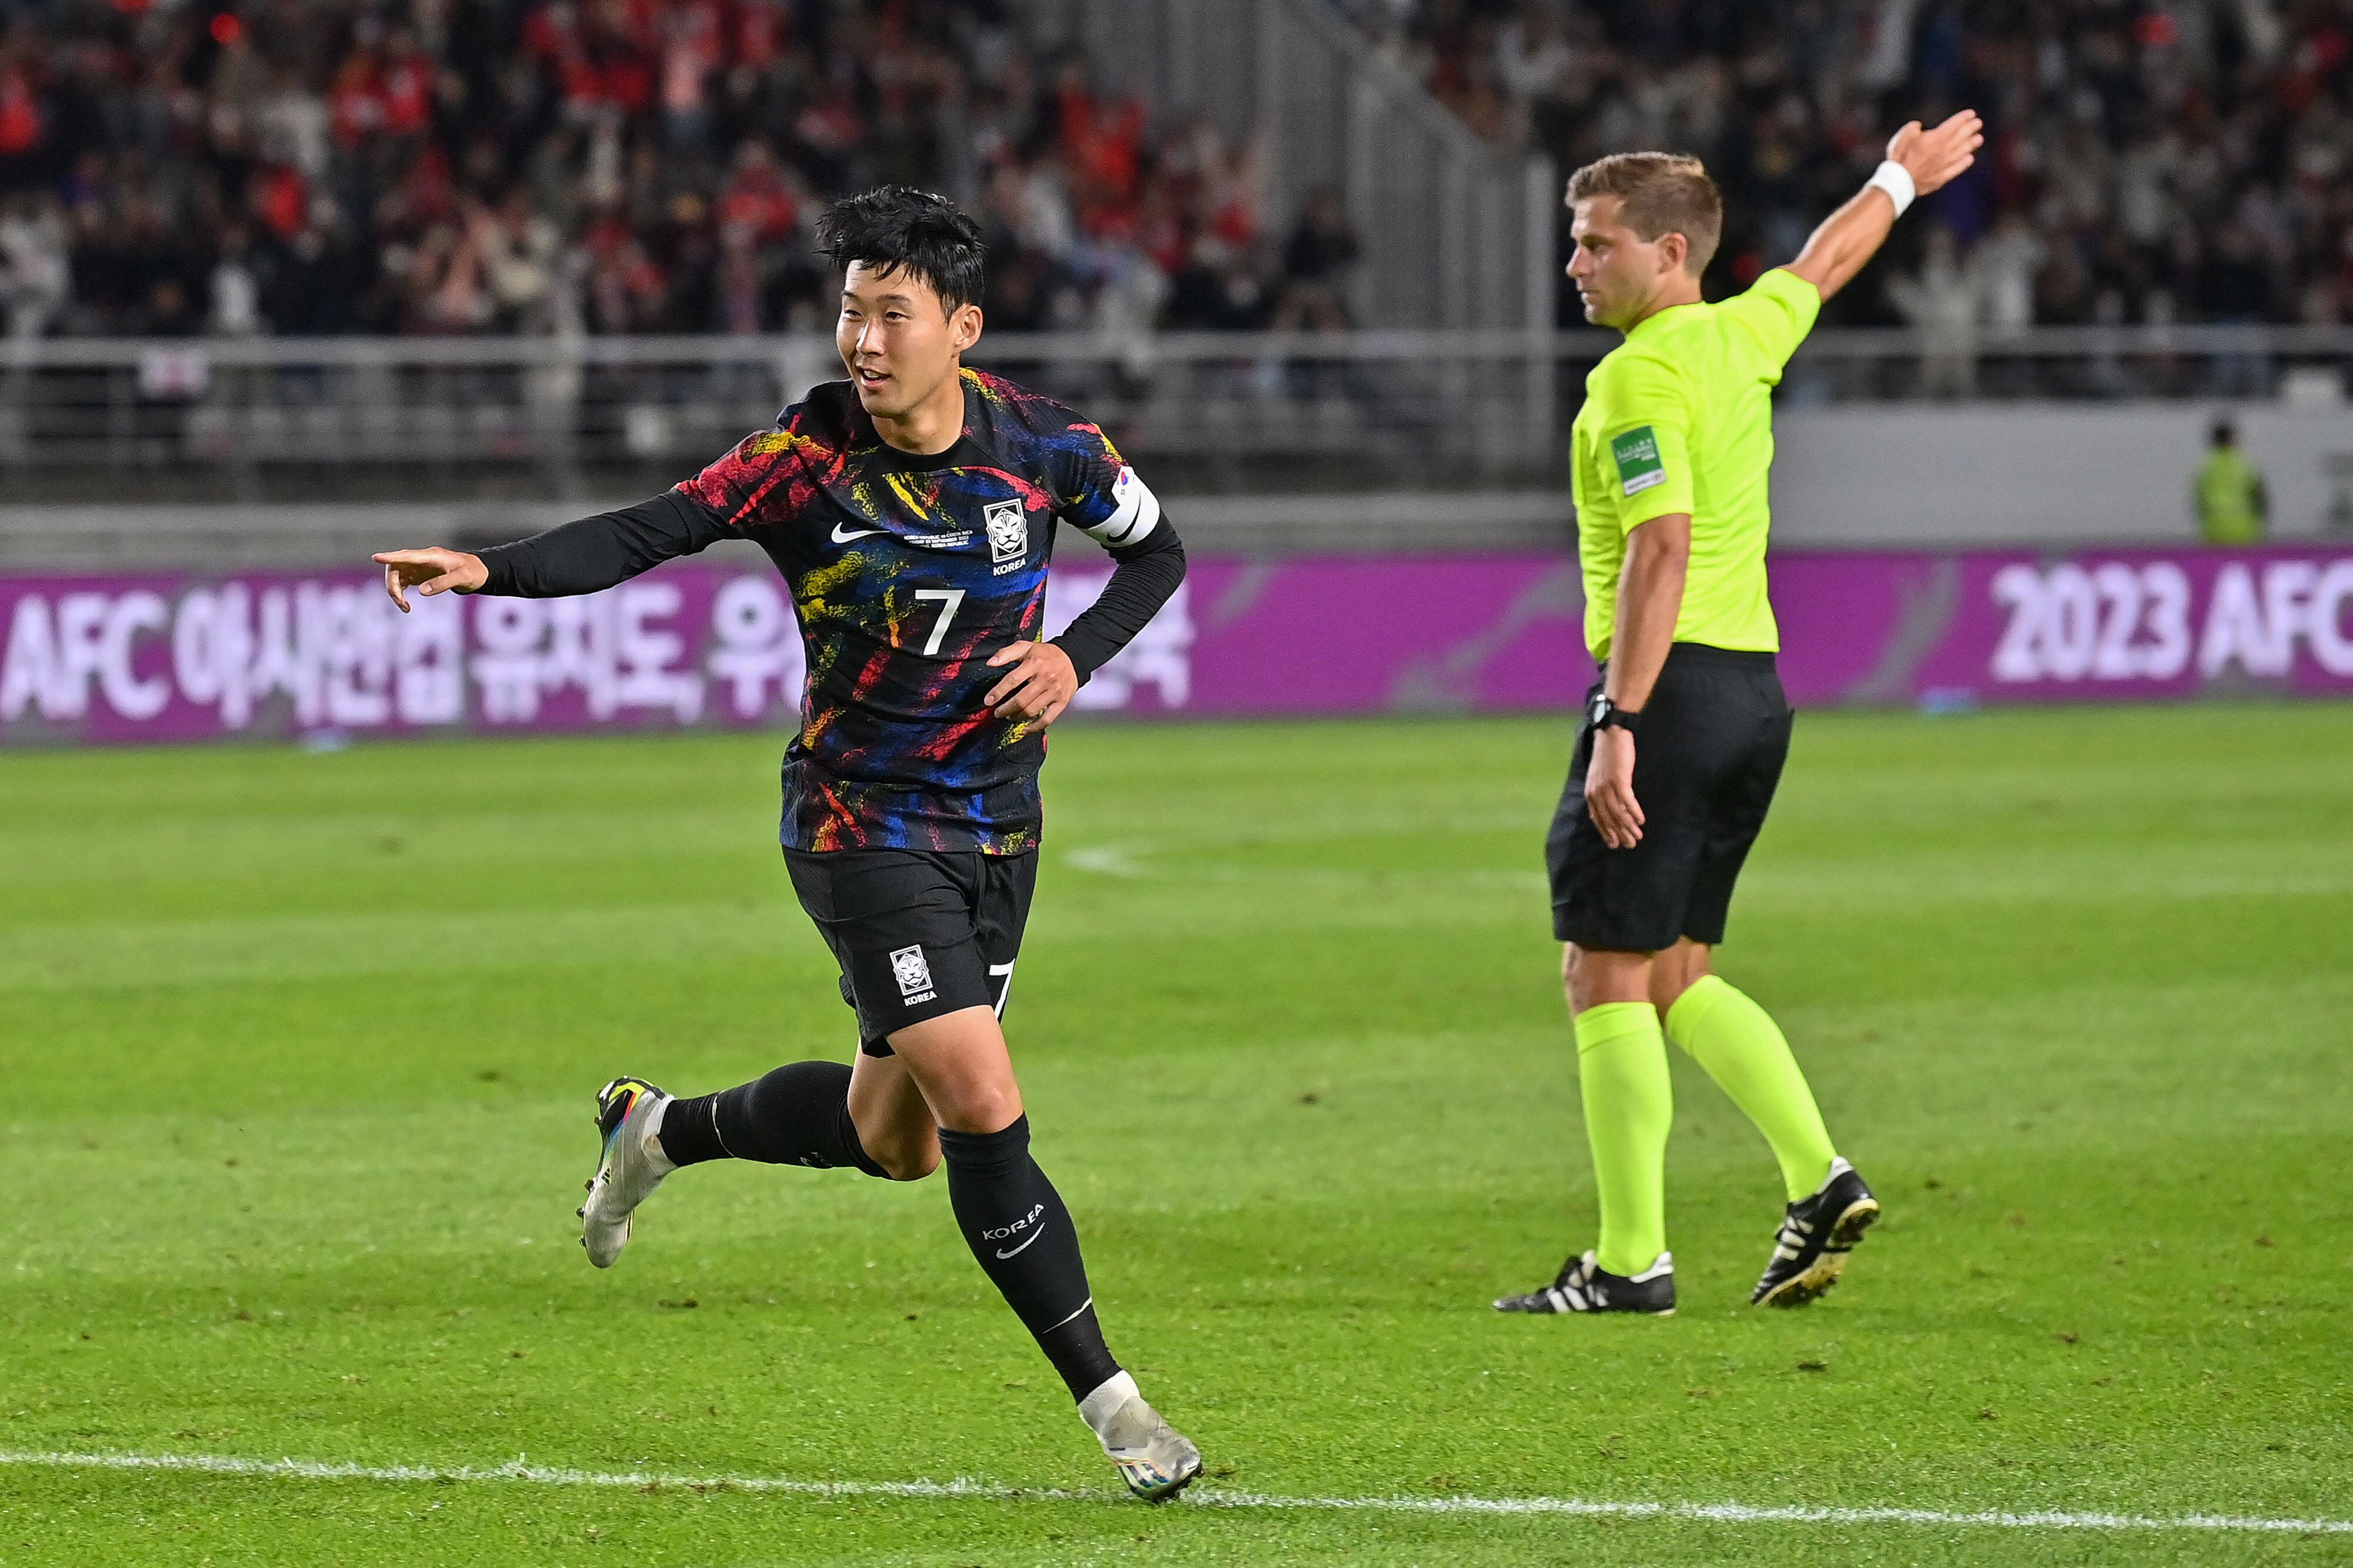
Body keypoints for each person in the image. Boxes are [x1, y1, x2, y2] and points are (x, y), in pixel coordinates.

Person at [371, 187, 1202, 1500]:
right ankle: (1121, 1411)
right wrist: (490, 568)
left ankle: (659, 1130)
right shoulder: (802, 460)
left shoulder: (1046, 448)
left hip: (998, 826)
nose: (861, 341)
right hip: (855, 823)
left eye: (890, 315)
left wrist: (1071, 656)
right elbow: (647, 531)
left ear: (960, 326)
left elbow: (1157, 558)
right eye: (847, 314)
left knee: (899, 1139)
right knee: (984, 1102)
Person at [1494, 112, 1982, 1318]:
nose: (1572, 265)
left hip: (1665, 693)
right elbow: (1820, 263)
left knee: (1598, 973)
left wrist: (1617, 719)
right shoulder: (1737, 335)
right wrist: (1894, 180)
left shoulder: (1639, 376)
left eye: (1593, 244)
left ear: (1667, 253)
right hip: (1752, 694)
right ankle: (1817, 1182)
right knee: (1671, 971)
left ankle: (1627, 1262)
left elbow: (1659, 547)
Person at [2195, 418, 2268, 545]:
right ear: (2232, 439)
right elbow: (2261, 499)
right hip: (2245, 531)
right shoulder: (2245, 465)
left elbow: (2200, 502)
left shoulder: (2205, 468)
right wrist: (2261, 527)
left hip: (2214, 531)